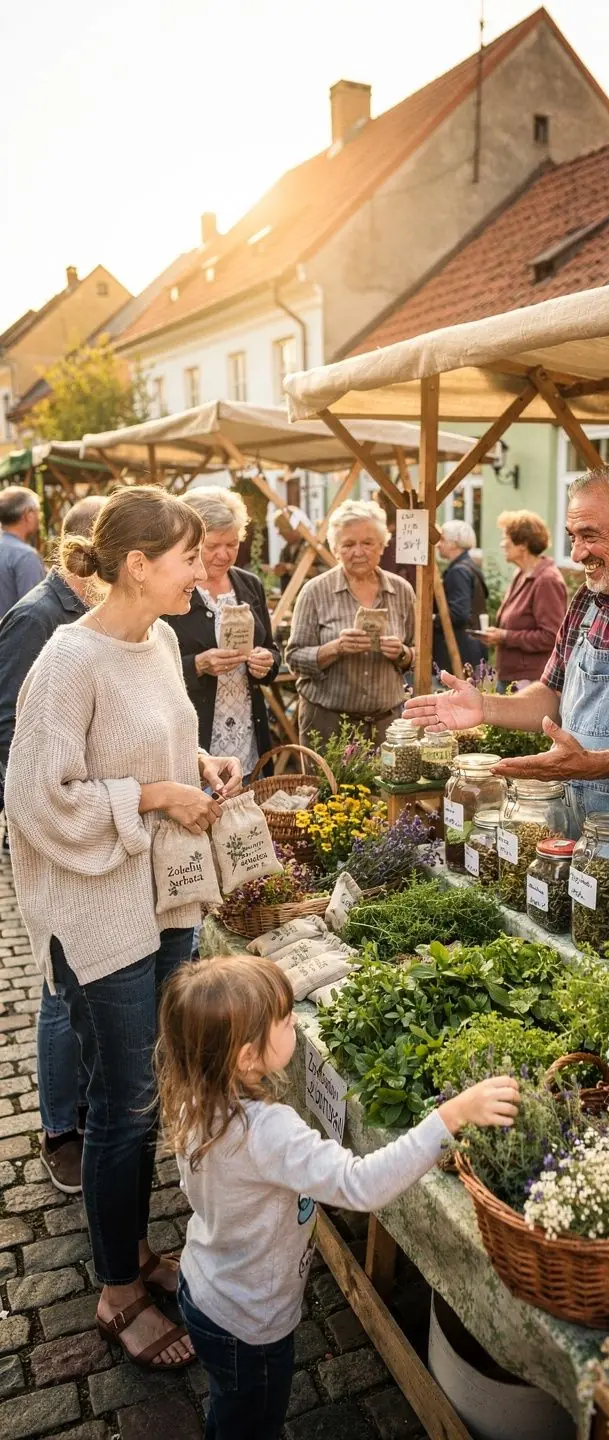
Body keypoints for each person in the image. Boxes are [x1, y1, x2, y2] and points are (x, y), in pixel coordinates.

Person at [4, 486, 243, 1370]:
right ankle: (114, 1290)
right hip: (97, 913)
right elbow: (33, 798)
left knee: (148, 1087)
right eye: (188, 555)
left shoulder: (158, 639)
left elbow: (158, 744)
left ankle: (137, 1250)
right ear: (140, 565)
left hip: (164, 898)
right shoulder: (68, 659)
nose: (201, 567)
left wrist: (198, 765)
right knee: (125, 1106)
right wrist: (150, 796)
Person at [157, 952, 520, 1440]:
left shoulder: (194, 1095)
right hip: (249, 1322)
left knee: (229, 1406)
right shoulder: (269, 1132)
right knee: (252, 1420)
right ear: (245, 1055)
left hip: (203, 1289)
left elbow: (196, 1188)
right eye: (286, 1020)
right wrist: (449, 1117)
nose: (294, 1025)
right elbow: (362, 1185)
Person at [405, 466, 609, 845]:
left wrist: (593, 765)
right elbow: (552, 695)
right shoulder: (588, 600)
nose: (577, 552)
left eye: (590, 536)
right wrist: (484, 707)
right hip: (581, 823)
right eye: (573, 536)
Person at [0, 494, 106, 1193]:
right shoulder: (39, 617)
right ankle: (60, 1126)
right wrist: (42, 822)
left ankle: (92, 1107)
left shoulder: (99, 618)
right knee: (60, 987)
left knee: (88, 979)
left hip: (96, 824)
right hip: (55, 830)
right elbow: (8, 732)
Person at [165, 488, 280, 781]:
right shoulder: (175, 590)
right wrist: (198, 665)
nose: (224, 554)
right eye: (213, 545)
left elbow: (271, 650)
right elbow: (151, 669)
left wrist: (266, 662)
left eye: (232, 544)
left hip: (247, 727)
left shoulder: (249, 585)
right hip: (198, 739)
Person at [286, 499, 415, 747]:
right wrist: (335, 648)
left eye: (367, 543)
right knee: (327, 787)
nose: (358, 552)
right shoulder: (314, 591)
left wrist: (403, 653)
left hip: (387, 727)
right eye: (348, 544)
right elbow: (293, 659)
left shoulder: (402, 591)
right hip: (328, 725)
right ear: (335, 549)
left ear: (382, 545)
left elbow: (419, 652)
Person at [480, 511, 567, 689]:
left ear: (523, 545)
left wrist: (505, 636)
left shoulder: (546, 580)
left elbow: (551, 637)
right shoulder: (521, 573)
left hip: (530, 682)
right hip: (512, 676)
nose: (502, 544)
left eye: (506, 538)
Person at [433, 520, 488, 674]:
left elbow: (458, 614)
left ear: (454, 543)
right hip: (473, 646)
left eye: (442, 540)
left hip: (460, 650)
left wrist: (431, 619)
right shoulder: (469, 565)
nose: (438, 544)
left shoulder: (458, 571)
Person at [0, 485, 46, 619]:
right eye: (38, 512)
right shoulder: (26, 556)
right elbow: (34, 612)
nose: (40, 517)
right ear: (28, 514)